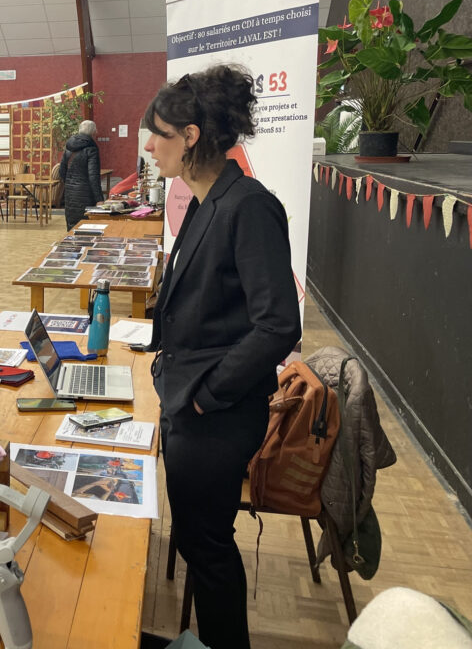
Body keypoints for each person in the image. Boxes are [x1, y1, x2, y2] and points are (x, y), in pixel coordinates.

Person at [143, 65, 301, 649]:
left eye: (157, 133)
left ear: (190, 136)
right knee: (197, 538)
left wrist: (208, 395)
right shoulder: (207, 198)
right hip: (192, 397)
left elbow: (279, 323)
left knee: (207, 545)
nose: (148, 146)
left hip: (218, 411)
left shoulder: (247, 206)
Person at [59, 120, 104, 230]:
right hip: (86, 195)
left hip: (70, 194)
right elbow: (93, 176)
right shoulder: (91, 149)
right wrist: (99, 199)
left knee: (72, 227)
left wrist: (70, 183)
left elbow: (61, 171)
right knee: (86, 228)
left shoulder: (69, 147)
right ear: (93, 132)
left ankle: (71, 247)